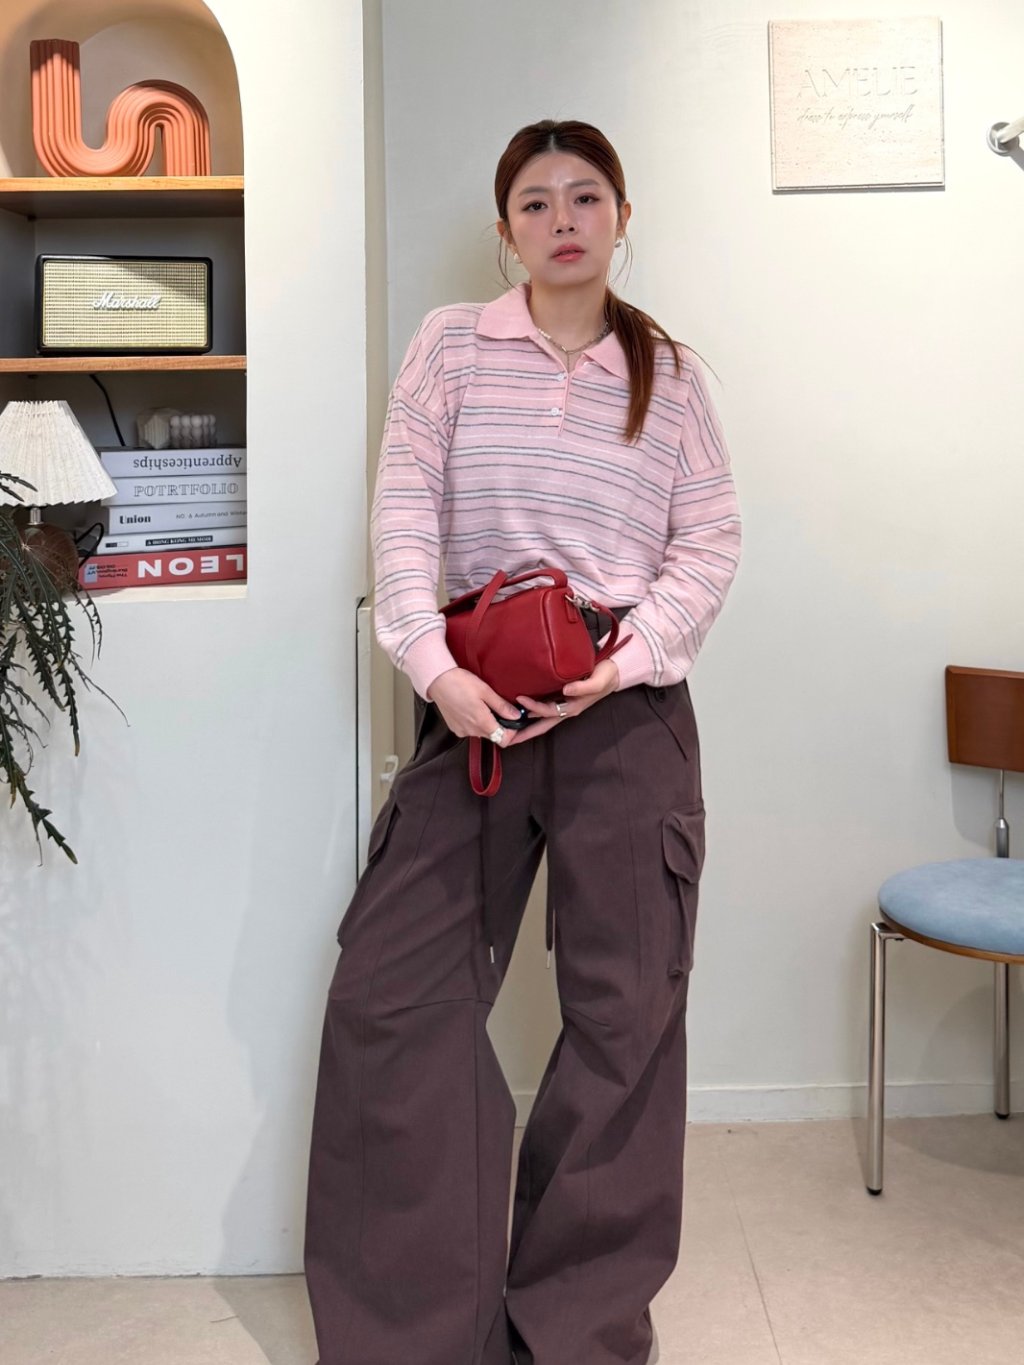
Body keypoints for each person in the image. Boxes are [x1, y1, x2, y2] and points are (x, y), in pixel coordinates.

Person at [304, 118, 742, 1365]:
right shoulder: (450, 346)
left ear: (621, 217)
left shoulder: (672, 375)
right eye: (536, 202)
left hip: (626, 710)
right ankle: (411, 1336)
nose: (562, 219)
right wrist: (433, 671)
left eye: (585, 196)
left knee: (624, 1021)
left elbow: (708, 543)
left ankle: (574, 1332)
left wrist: (623, 663)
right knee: (392, 1000)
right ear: (505, 231)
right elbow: (402, 518)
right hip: (473, 705)